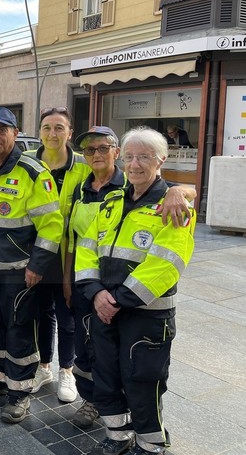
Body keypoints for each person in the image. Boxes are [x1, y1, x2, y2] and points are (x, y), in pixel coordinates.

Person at [75, 126, 196, 455]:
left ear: (161, 160)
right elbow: (87, 248)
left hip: (146, 315)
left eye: (144, 157)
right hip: (104, 308)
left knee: (143, 381)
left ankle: (150, 443)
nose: (135, 164)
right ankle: (118, 434)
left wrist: (117, 300)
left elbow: (166, 263)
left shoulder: (175, 206)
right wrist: (96, 292)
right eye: (129, 157)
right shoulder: (110, 202)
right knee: (106, 375)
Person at [0, 106, 64, 424]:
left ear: (14, 133)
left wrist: (37, 266)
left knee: (20, 333)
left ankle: (20, 393)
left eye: (1, 130)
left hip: (18, 272)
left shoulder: (33, 171)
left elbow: (52, 226)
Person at [25, 106, 91, 403]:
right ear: (40, 132)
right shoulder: (26, 163)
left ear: (69, 133)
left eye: (59, 128)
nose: (53, 134)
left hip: (70, 255)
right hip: (37, 253)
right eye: (47, 128)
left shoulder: (83, 166)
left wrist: (178, 192)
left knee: (67, 315)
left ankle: (67, 369)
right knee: (41, 314)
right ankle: (43, 367)